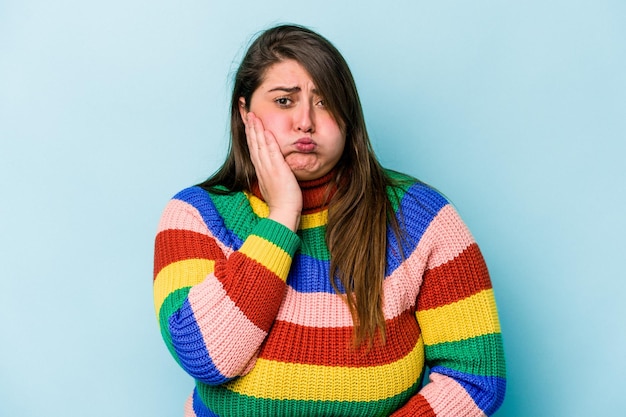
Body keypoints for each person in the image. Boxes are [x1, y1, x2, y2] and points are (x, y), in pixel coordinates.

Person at [153, 24, 506, 417]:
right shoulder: (195, 214)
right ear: (244, 113)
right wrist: (283, 214)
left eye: (324, 102)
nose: (305, 121)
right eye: (284, 101)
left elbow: (475, 377)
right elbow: (205, 356)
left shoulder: (421, 217)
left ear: (348, 117)